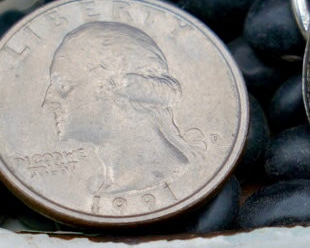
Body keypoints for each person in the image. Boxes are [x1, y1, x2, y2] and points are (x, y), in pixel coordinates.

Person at [41, 20, 203, 215]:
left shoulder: (165, 174)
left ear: (117, 87)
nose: (48, 101)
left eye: (64, 86)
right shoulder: (103, 186)